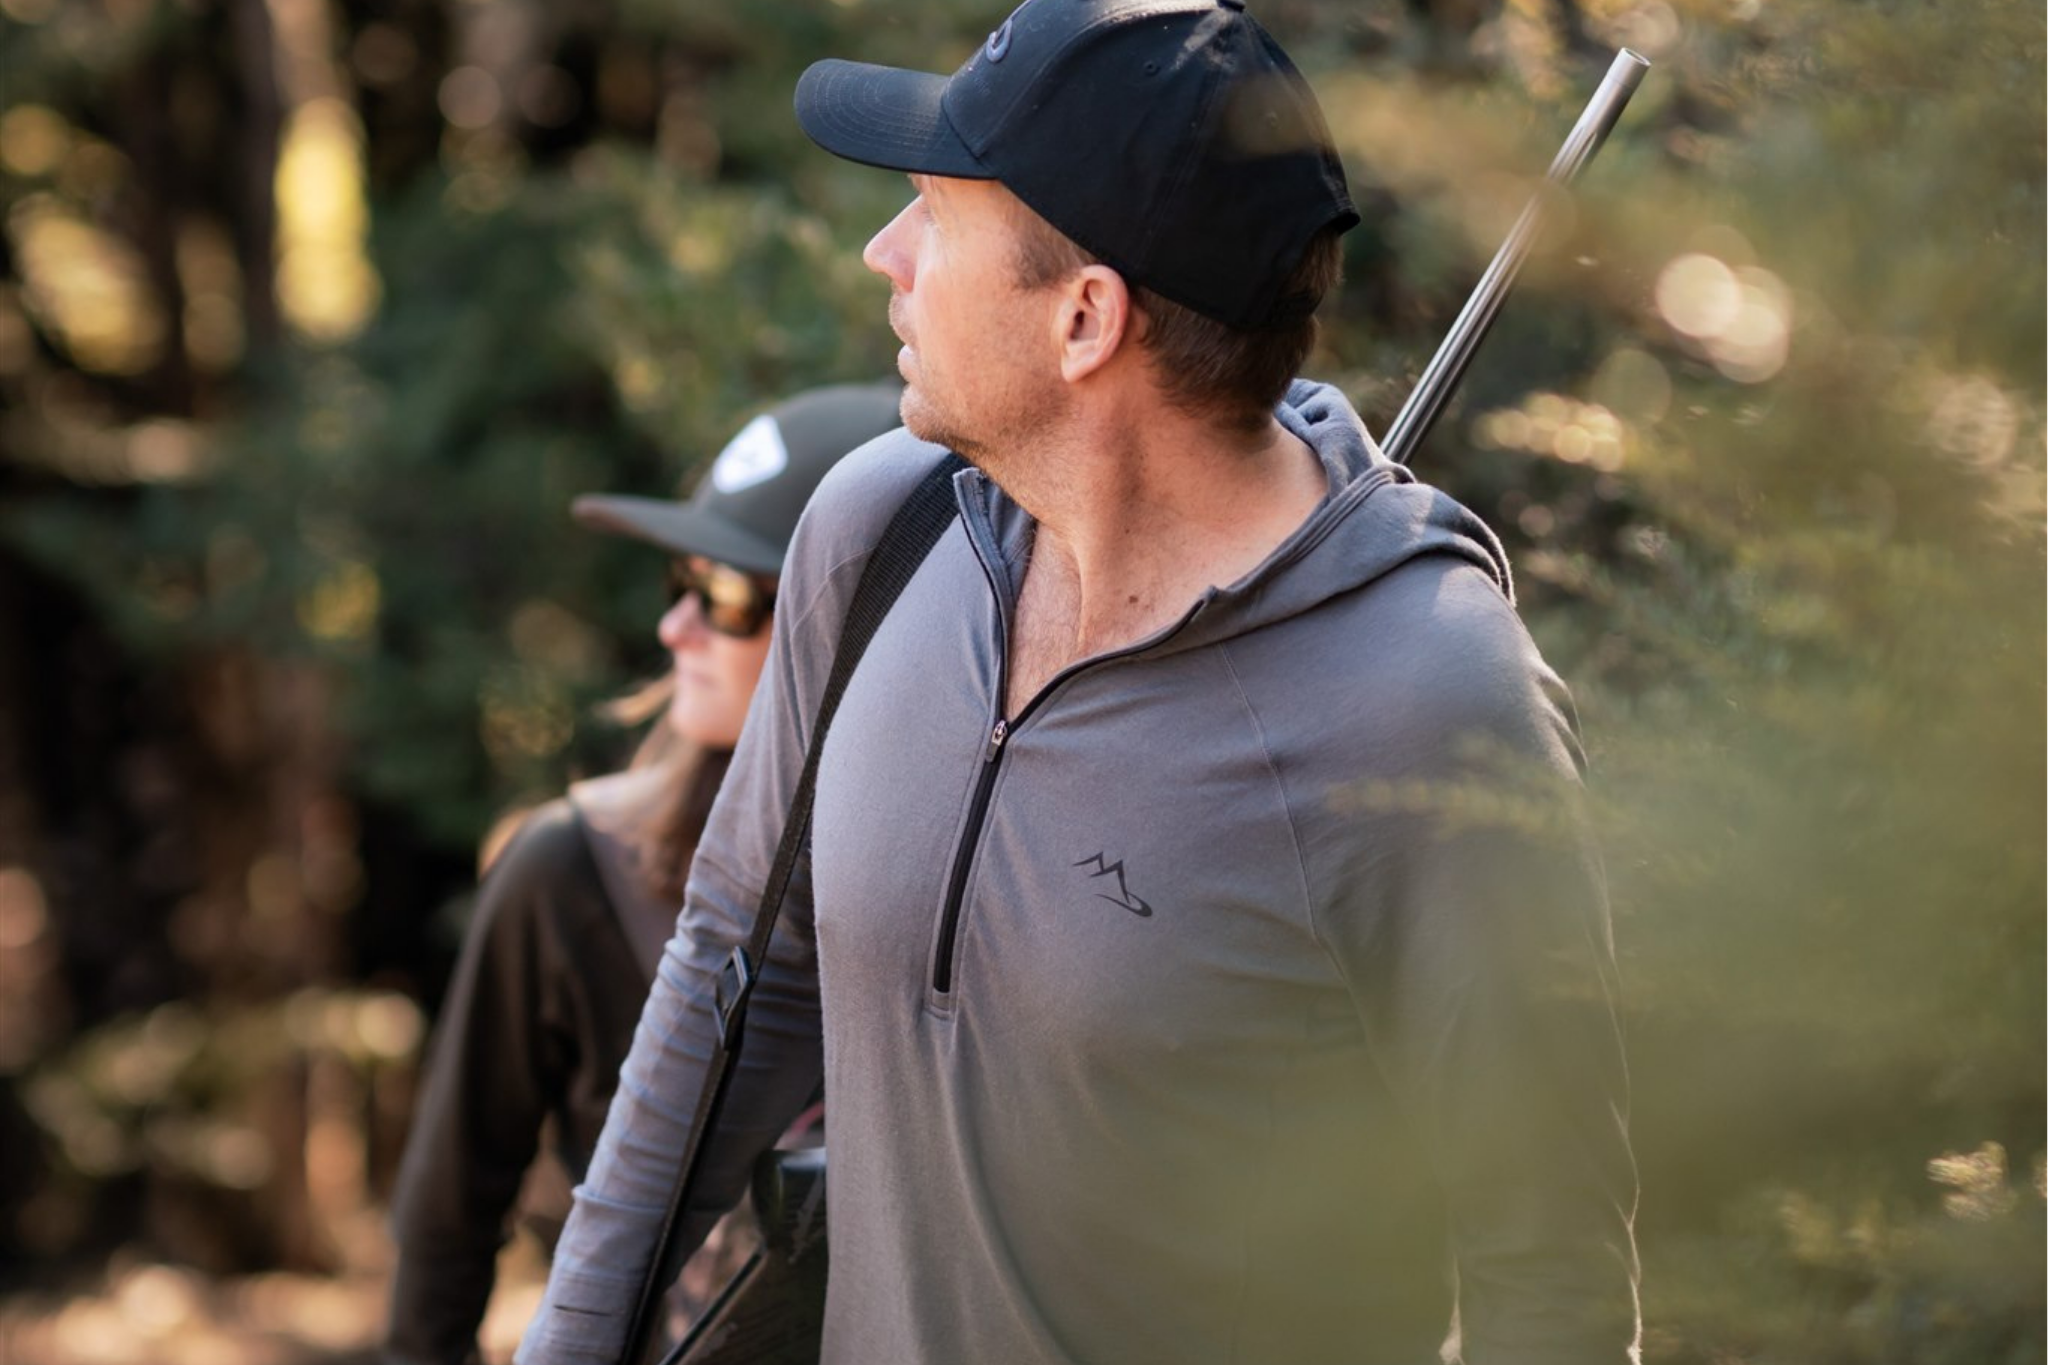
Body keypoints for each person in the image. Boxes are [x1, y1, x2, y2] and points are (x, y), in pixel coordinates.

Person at [520, 2, 1641, 1362]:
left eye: (934, 214)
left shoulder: (1430, 701)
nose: (885, 253)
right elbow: (733, 982)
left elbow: (1550, 1275)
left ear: (1085, 317)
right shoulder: (876, 532)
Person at [382, 383, 904, 1365]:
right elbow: (444, 1228)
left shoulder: (972, 884)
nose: (676, 629)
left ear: (853, 631)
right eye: (681, 578)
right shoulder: (570, 871)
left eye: (731, 596)